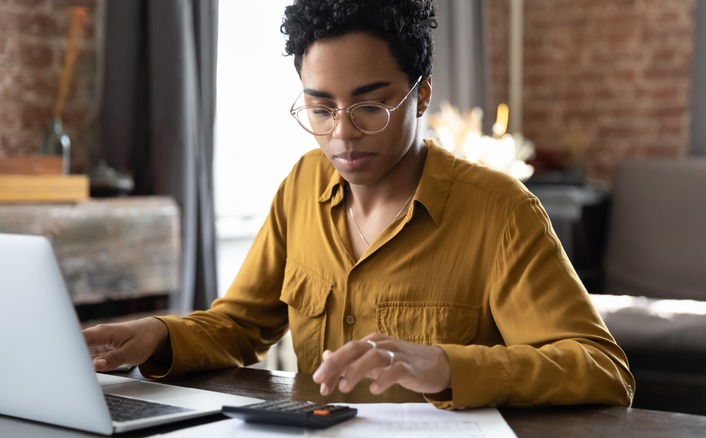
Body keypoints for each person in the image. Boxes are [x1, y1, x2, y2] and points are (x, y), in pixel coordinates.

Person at [84, 0, 635, 409]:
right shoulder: (302, 184)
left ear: (420, 94)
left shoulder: (499, 212)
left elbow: (603, 369)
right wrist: (159, 334)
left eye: (370, 106)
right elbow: (241, 326)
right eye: (321, 109)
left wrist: (449, 366)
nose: (342, 135)